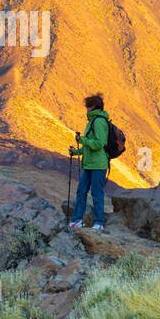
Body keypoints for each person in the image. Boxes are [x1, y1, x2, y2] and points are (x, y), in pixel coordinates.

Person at [68, 93, 109, 230]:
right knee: (81, 191)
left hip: (98, 164)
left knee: (96, 193)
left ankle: (98, 222)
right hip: (89, 163)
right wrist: (76, 152)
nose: (86, 110)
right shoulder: (92, 122)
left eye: (88, 107)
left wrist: (82, 140)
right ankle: (77, 220)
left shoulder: (99, 122)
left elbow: (99, 144)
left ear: (93, 107)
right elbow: (89, 146)